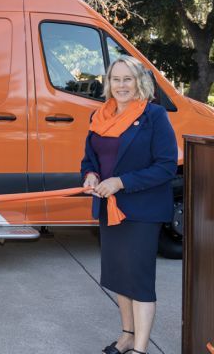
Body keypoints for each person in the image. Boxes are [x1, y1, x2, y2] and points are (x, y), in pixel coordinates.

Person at [80, 56, 177, 354]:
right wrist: (91, 175)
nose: (121, 85)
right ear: (108, 84)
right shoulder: (100, 117)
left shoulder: (154, 116)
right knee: (119, 275)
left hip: (142, 210)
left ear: (139, 82)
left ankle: (141, 348)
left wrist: (120, 182)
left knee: (139, 278)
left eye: (127, 79)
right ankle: (127, 335)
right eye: (116, 79)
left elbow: (166, 166)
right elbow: (90, 158)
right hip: (110, 210)